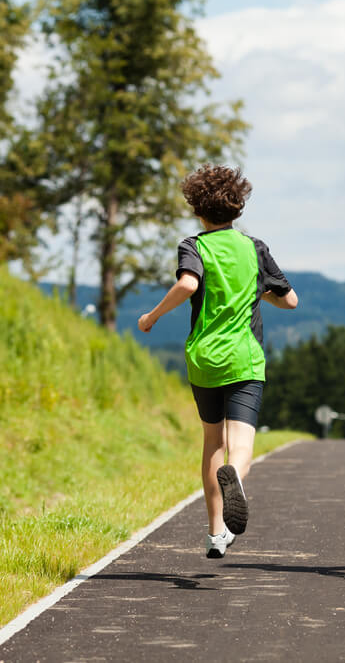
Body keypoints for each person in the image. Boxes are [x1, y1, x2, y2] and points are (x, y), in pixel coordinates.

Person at [138, 164, 298, 559]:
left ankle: (215, 533)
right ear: (238, 207)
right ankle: (237, 484)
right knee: (240, 442)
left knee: (213, 441)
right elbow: (290, 299)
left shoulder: (194, 246)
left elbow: (188, 283)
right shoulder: (254, 247)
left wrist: (152, 316)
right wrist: (257, 293)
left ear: (197, 208)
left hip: (205, 359)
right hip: (244, 358)